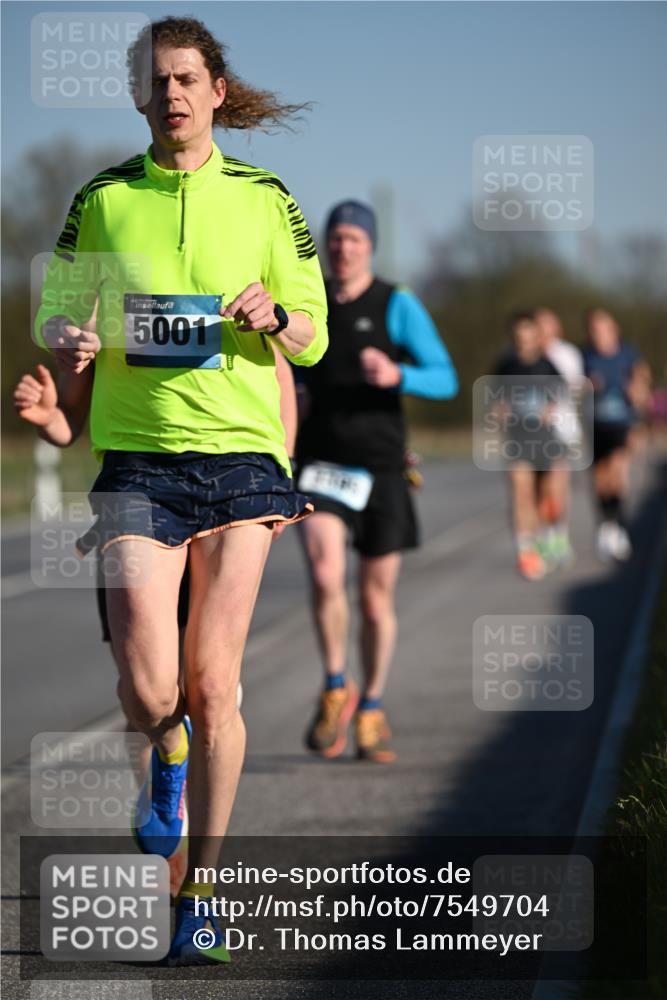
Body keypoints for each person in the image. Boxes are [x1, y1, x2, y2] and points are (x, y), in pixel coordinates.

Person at [33, 16, 327, 965]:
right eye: (155, 82)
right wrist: (69, 338)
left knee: (212, 684)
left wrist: (274, 313)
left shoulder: (266, 196)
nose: (171, 95)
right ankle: (164, 765)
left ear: (215, 91)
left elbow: (312, 330)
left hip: (244, 459)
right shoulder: (103, 198)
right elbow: (55, 305)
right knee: (150, 686)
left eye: (186, 79)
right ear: (137, 95)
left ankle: (202, 892)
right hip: (137, 463)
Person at [296, 200, 458, 764]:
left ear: (370, 246)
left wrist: (399, 373)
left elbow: (447, 377)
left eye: (353, 239)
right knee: (323, 572)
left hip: (383, 467)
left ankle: (372, 706)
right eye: (335, 238)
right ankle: (336, 684)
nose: (342, 248)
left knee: (373, 598)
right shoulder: (306, 301)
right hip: (318, 467)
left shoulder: (397, 303)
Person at [493, 311, 567, 580]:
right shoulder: (505, 366)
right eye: (519, 340)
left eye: (529, 339)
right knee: (519, 489)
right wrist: (500, 411)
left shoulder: (548, 366)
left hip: (545, 441)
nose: (524, 345)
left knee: (545, 495)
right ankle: (526, 550)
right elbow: (496, 400)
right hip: (518, 440)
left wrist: (548, 409)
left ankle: (551, 535)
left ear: (537, 338)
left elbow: (559, 397)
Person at [582, 308, 651, 562]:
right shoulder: (585, 355)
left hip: (622, 423)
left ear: (614, 330)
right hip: (594, 425)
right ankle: (606, 524)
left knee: (618, 471)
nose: (599, 335)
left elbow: (642, 380)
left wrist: (638, 390)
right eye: (594, 330)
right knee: (600, 478)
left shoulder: (627, 353)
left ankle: (619, 526)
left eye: (603, 329)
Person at [533, 307, 585, 567]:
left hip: (561, 428)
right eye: (538, 325)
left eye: (547, 325)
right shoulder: (524, 354)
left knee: (558, 484)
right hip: (530, 433)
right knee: (538, 488)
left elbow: (572, 388)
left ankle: (559, 534)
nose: (543, 330)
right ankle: (544, 534)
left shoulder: (566, 354)